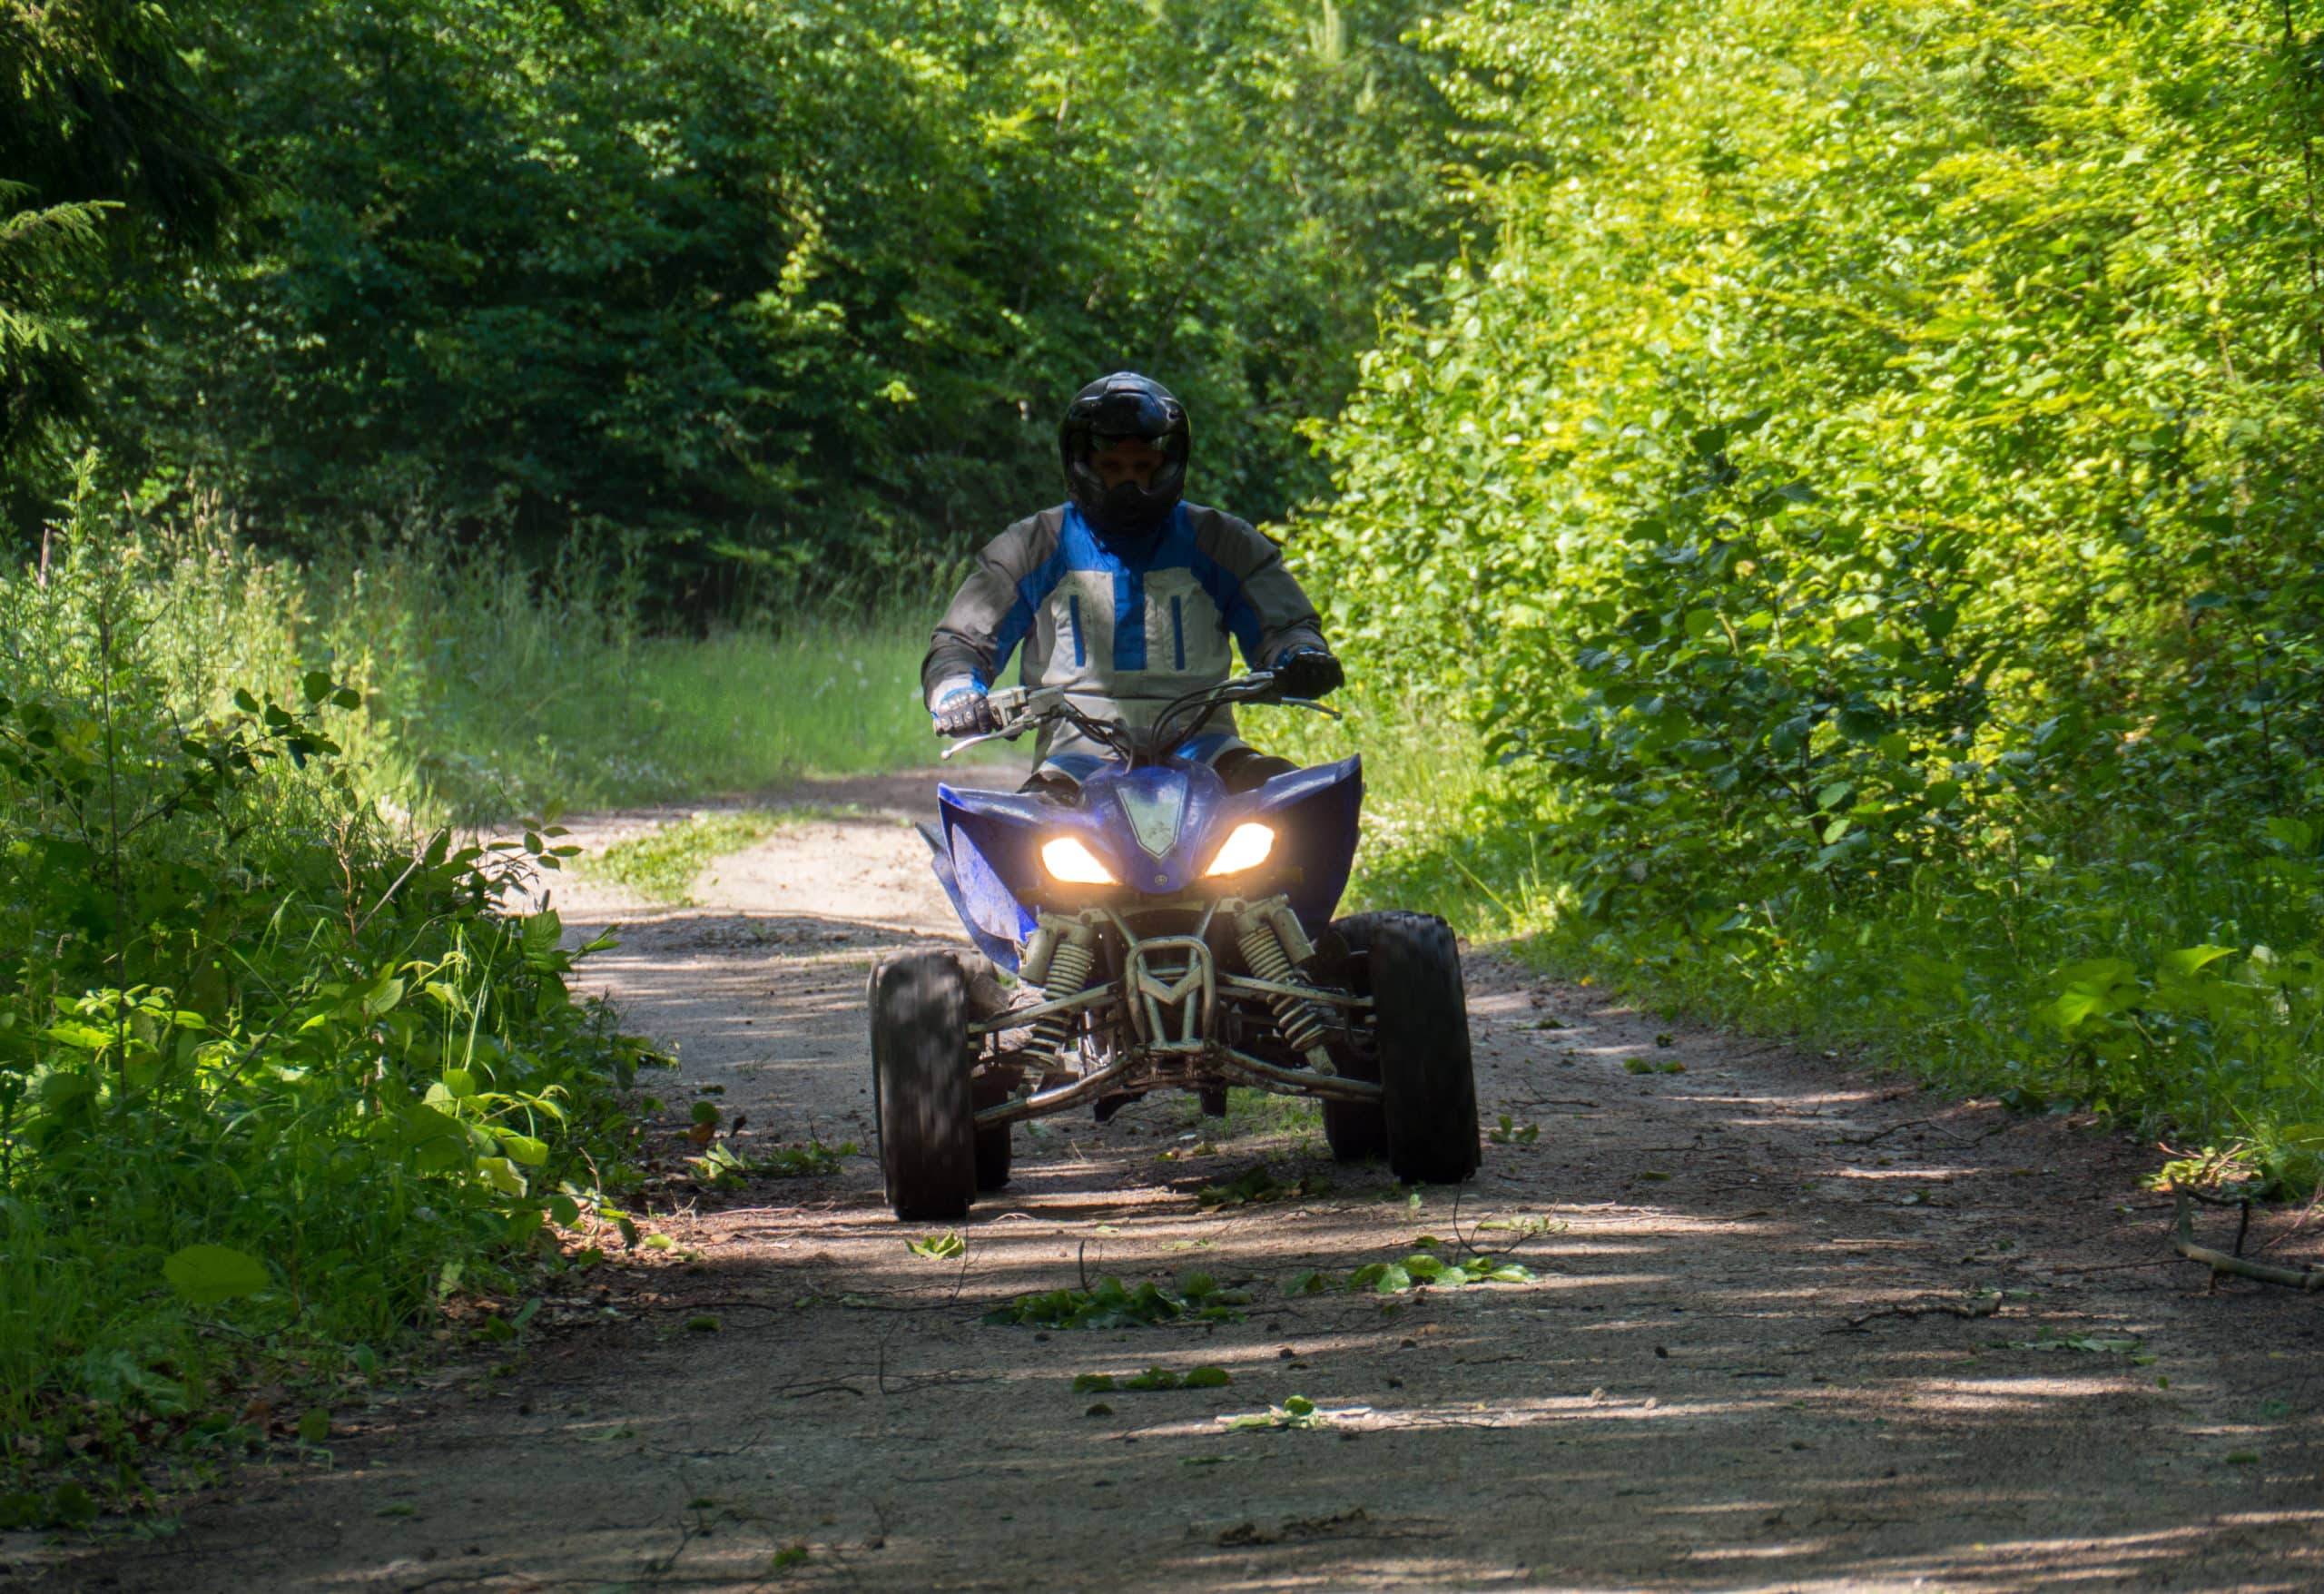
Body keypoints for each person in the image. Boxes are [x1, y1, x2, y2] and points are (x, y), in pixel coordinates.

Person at [921, 371, 1343, 793]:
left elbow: (1285, 626)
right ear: (1082, 465)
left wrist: (1301, 656)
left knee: (1297, 802)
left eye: (1144, 467)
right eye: (1112, 467)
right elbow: (962, 643)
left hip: (1206, 752)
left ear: (1169, 466)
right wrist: (957, 692)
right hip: (1077, 761)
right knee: (1011, 840)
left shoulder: (1222, 541)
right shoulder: (1032, 547)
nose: (1130, 483)